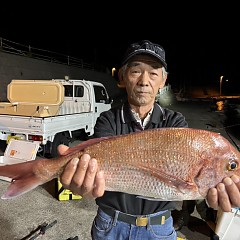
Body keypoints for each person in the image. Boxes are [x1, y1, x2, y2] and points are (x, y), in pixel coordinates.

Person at [58, 40, 240, 240]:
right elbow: (93, 173)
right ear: (122, 76)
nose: (144, 81)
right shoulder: (108, 120)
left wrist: (211, 198)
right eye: (136, 71)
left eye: (153, 73)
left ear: (163, 81)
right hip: (111, 225)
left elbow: (194, 177)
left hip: (159, 228)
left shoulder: (175, 122)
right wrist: (81, 183)